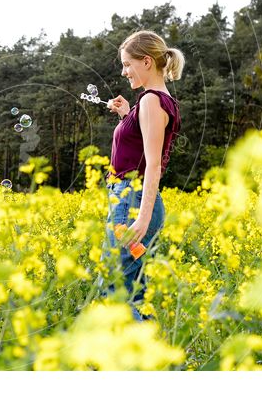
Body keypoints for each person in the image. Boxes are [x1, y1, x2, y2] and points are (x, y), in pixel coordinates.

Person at [102, 30, 183, 321]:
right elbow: (140, 147)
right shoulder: (158, 100)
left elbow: (152, 164)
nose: (124, 72)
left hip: (132, 203)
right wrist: (127, 115)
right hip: (132, 201)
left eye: (127, 64)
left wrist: (143, 217)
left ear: (146, 62)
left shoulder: (150, 101)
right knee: (133, 290)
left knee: (116, 288)